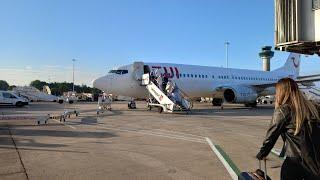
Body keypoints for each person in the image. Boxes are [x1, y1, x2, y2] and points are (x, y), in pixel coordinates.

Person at [256, 78, 320, 180]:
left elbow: (271, 137)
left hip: (295, 161)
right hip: (316, 162)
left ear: (281, 92)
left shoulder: (283, 110)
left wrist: (262, 154)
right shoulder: (314, 107)